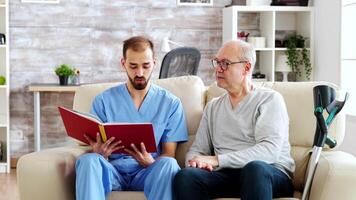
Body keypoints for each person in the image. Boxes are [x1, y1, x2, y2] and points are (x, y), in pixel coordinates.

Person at [173, 40, 295, 200]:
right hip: (228, 175)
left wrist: (217, 160)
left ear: (246, 67)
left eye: (225, 63)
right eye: (217, 62)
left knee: (254, 169)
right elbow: (197, 150)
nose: (218, 69)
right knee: (186, 177)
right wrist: (195, 162)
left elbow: (269, 151)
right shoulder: (213, 107)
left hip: (268, 174)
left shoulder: (269, 100)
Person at [75, 36, 188, 200]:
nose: (140, 73)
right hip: (112, 171)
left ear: (154, 63)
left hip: (147, 172)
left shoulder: (170, 103)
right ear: (123, 63)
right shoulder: (103, 100)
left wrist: (150, 162)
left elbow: (169, 153)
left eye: (146, 66)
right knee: (88, 160)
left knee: (169, 164)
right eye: (133, 66)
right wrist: (100, 153)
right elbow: (93, 143)